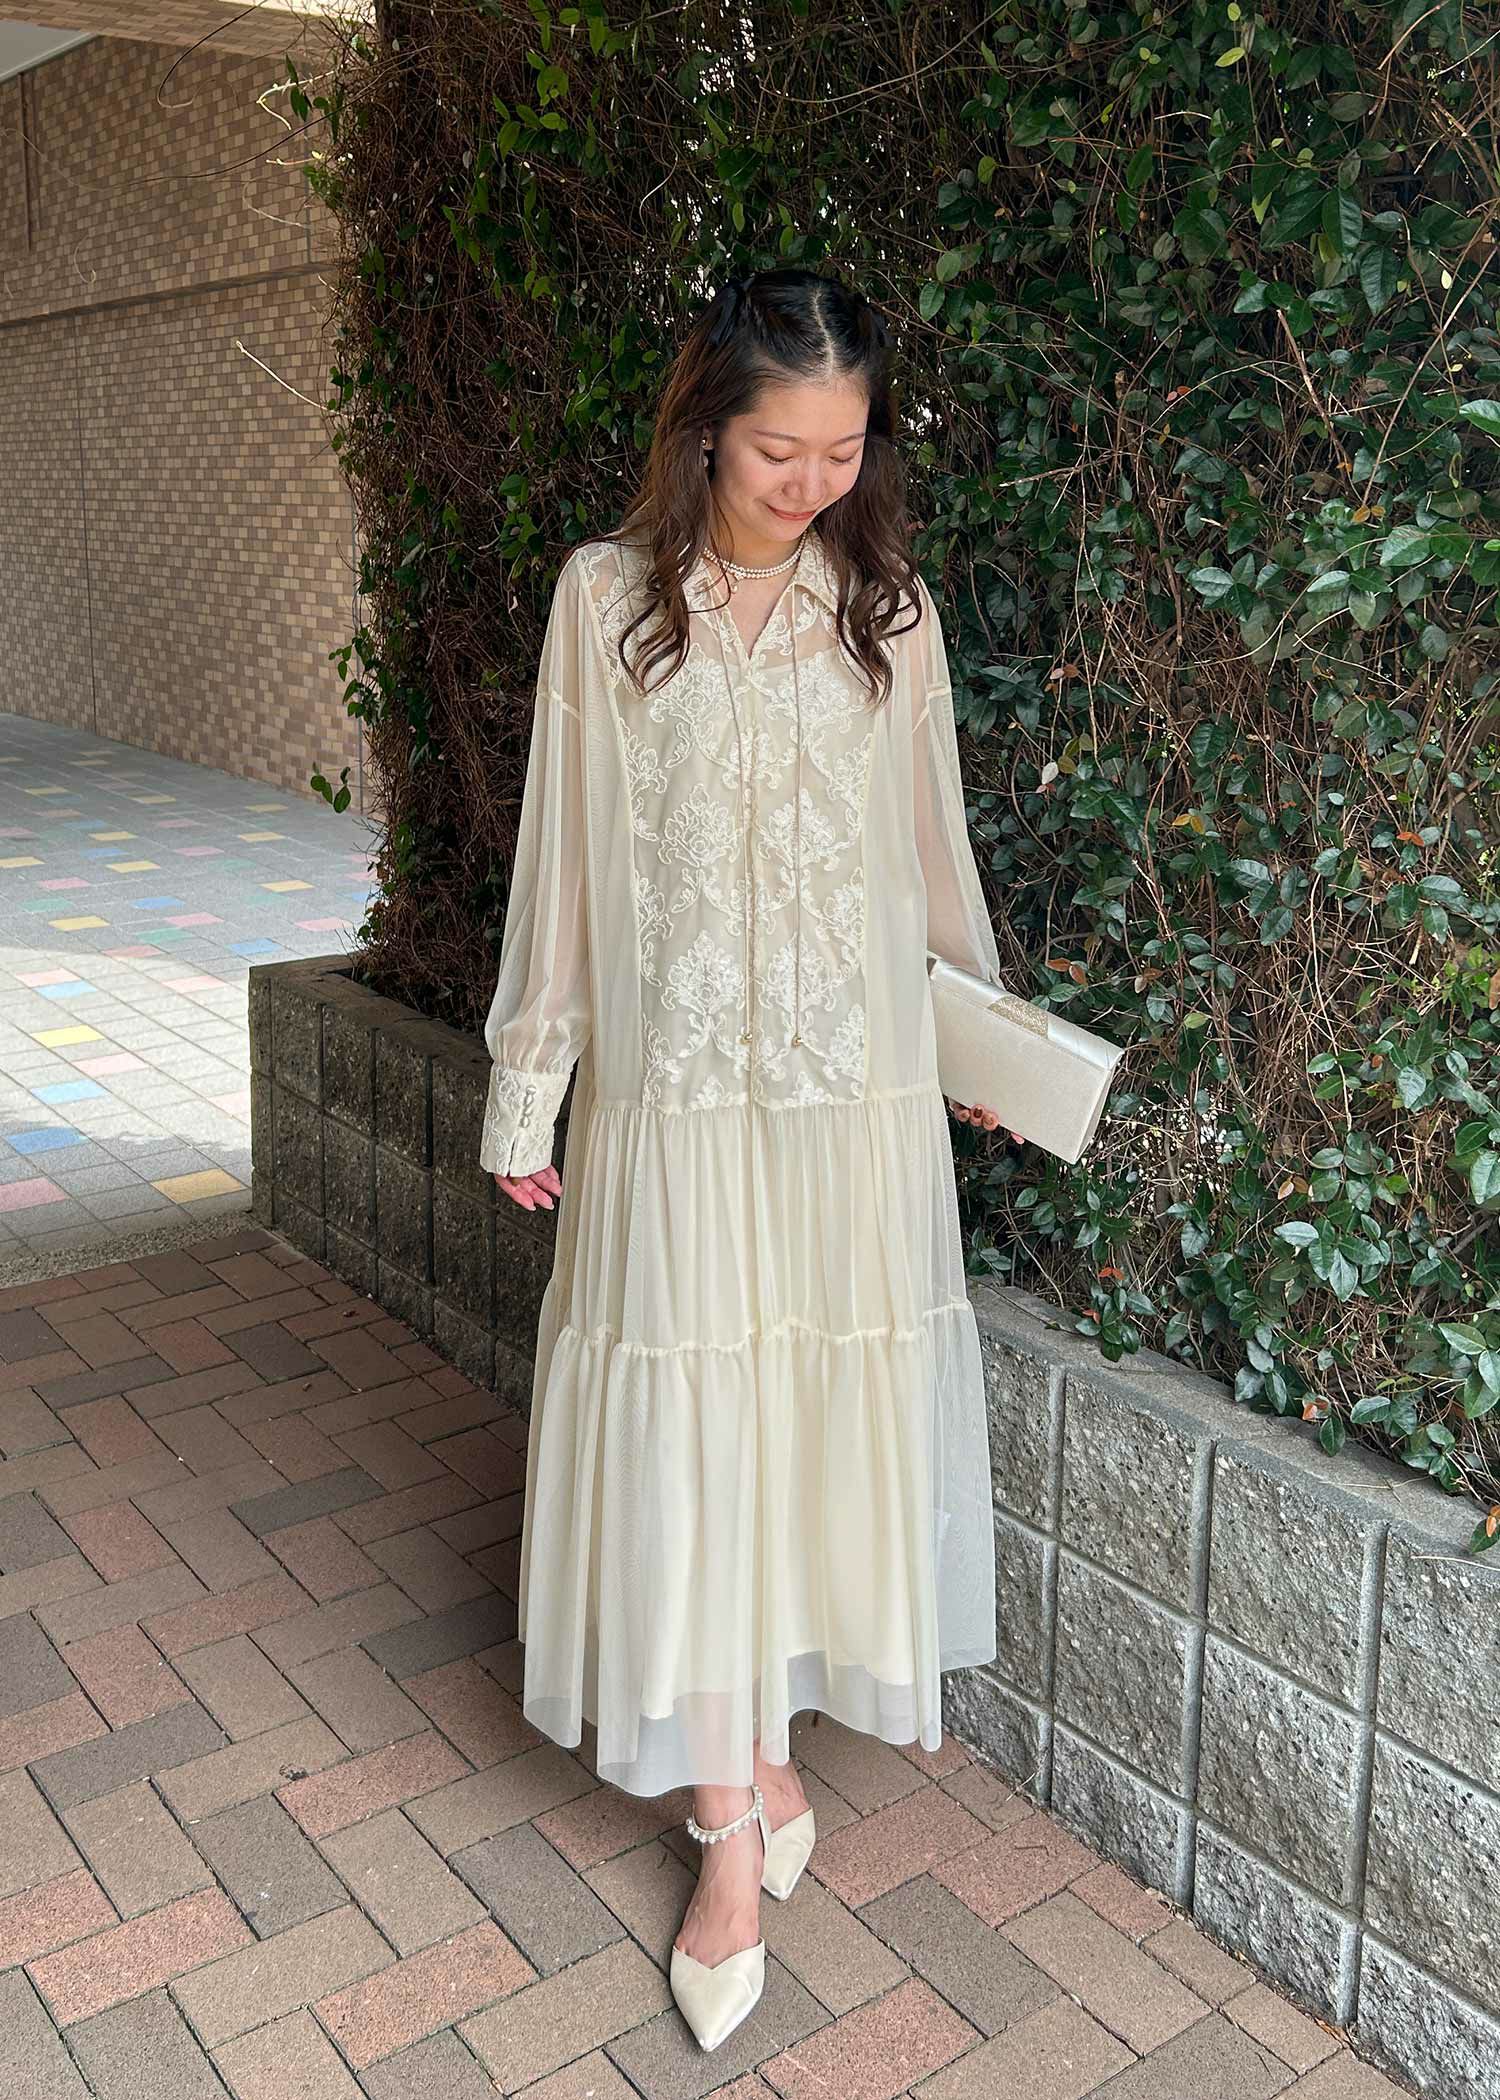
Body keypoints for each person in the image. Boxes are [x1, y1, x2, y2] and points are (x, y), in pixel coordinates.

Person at [480, 265, 1021, 2052]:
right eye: (782, 447)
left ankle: (765, 1757)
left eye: (844, 450)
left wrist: (979, 1039)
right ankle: (727, 1822)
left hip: (853, 1103)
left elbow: (930, 850)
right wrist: (530, 1082)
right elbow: (561, 859)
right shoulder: (607, 602)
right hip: (683, 1099)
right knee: (696, 1430)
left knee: (793, 1425)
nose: (811, 482)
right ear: (708, 425)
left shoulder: (891, 612)